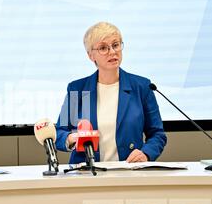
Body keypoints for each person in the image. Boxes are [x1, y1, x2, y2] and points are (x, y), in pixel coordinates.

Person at [55, 21, 166, 164]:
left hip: (129, 172)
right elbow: (59, 133)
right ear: (91, 56)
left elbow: (157, 134)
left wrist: (146, 153)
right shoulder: (78, 90)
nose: (112, 52)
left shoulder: (141, 87)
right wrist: (72, 138)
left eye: (115, 45)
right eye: (103, 48)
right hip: (87, 173)